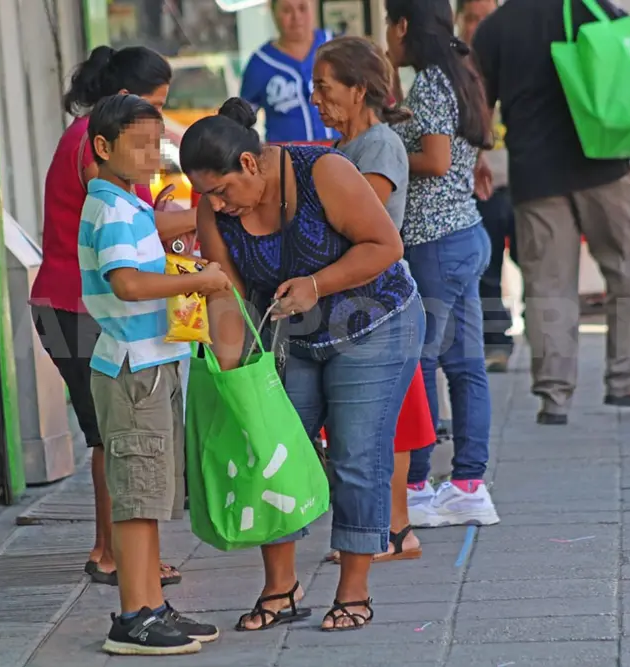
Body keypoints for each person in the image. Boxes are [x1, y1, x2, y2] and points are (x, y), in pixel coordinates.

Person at [180, 98, 423, 631]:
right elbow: (230, 295)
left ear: (249, 164)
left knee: (356, 455)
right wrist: (235, 377)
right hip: (289, 336)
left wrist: (318, 285)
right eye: (206, 196)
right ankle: (281, 590)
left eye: (221, 191)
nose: (217, 206)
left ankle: (354, 591)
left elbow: (386, 245)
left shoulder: (323, 173)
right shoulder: (214, 212)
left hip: (375, 323)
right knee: (273, 450)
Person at [29, 45, 193, 588]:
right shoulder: (94, 148)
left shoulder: (92, 140)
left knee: (113, 433)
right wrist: (211, 210)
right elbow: (134, 236)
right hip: (74, 307)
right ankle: (113, 552)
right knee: (113, 435)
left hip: (74, 303)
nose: (156, 132)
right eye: (152, 107)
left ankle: (122, 552)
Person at [81, 94, 230, 656]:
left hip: (148, 362)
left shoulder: (128, 203)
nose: (153, 154)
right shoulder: (114, 210)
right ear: (103, 147)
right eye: (139, 144)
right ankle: (134, 616)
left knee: (148, 496)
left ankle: (149, 606)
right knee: (137, 500)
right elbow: (127, 284)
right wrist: (198, 283)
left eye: (157, 143)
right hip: (130, 369)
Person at [472, 0, 630, 425]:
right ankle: (625, 378)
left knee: (547, 284)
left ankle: (554, 396)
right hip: (603, 164)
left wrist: (477, 155)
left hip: (535, 175)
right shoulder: (593, 9)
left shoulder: (495, 28)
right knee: (624, 269)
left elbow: (478, 106)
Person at [312, 35, 437, 562]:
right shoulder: (344, 149)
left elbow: (357, 218)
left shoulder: (380, 145)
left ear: (359, 91)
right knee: (363, 421)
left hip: (380, 301)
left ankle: (393, 528)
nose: (316, 99)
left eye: (325, 88)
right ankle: (387, 529)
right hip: (353, 299)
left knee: (389, 418)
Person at [386, 0, 501, 528]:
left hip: (434, 240)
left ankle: (417, 485)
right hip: (464, 233)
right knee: (466, 365)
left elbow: (433, 160)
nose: (388, 35)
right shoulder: (459, 70)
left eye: (390, 23)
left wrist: (377, 153)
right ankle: (469, 484)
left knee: (424, 364)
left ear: (404, 25)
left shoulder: (432, 81)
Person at [456, 0, 517, 373]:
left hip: (524, 179)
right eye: (472, 19)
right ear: (459, 22)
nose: (479, 27)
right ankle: (497, 341)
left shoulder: (515, 58)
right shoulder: (451, 72)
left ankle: (550, 338)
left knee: (538, 262)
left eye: (486, 18)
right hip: (481, 186)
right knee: (488, 268)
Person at [240, 0, 335, 142]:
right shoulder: (260, 63)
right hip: (286, 160)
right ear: (273, 12)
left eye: (302, 8)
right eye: (287, 10)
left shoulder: (335, 46)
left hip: (340, 157)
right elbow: (240, 123)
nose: (296, 17)